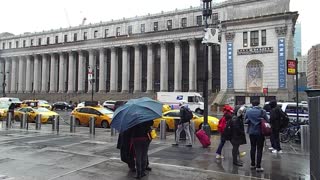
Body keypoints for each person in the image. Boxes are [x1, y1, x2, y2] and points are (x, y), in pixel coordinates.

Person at [245, 100, 269, 172]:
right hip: (260, 132)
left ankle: (252, 164)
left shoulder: (248, 111)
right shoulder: (262, 111)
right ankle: (258, 166)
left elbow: (245, 121)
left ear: (252, 104)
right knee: (259, 149)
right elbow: (267, 121)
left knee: (252, 147)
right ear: (258, 104)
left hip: (251, 132)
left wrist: (250, 120)